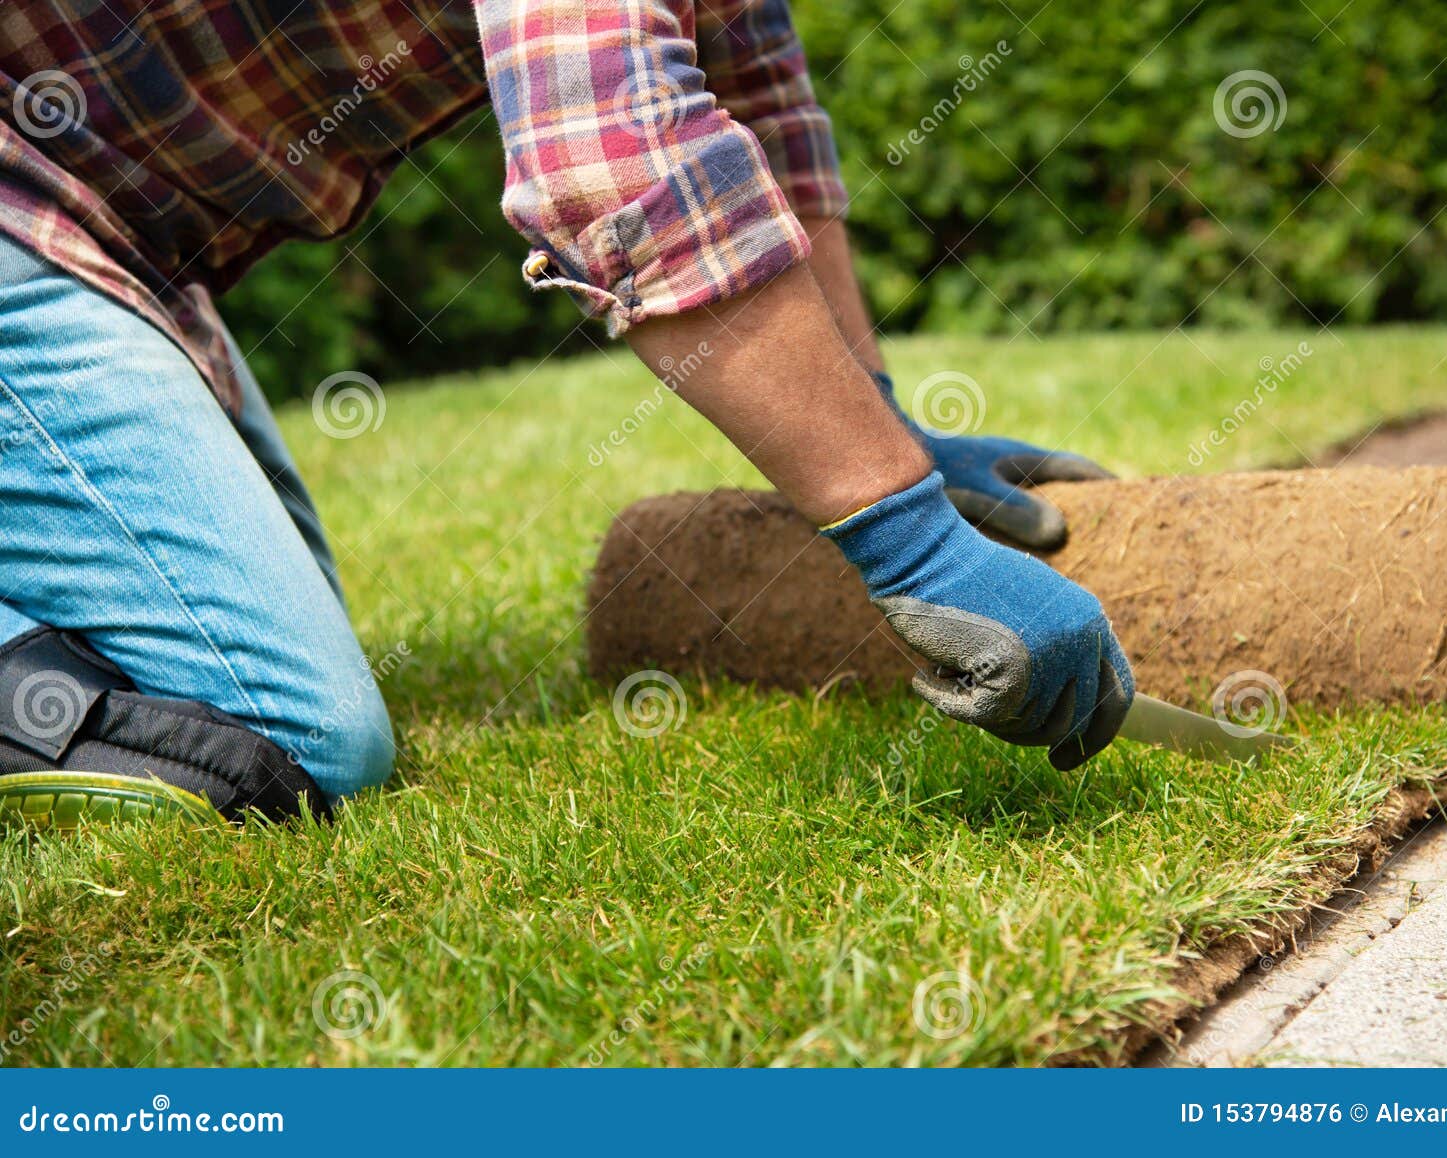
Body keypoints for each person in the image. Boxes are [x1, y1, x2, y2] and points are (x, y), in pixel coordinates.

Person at [0, 1, 1131, 828]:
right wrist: (912, 541)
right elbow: (608, 160)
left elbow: (758, 106)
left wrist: (885, 424)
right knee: (286, 740)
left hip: (104, 242)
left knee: (164, 670)